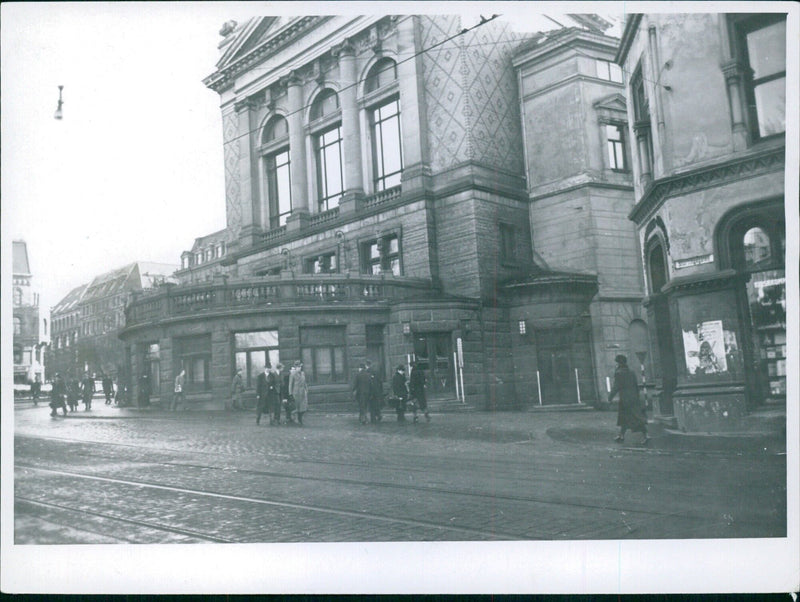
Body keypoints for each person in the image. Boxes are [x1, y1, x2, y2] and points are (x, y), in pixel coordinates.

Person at [608, 354, 649, 445]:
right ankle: (621, 435)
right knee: (625, 417)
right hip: (634, 398)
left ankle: (646, 435)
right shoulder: (631, 372)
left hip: (625, 399)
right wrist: (637, 397)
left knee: (635, 417)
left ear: (619, 363)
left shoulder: (619, 373)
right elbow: (636, 385)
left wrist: (610, 397)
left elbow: (616, 386)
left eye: (617, 362)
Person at [288, 360, 308, 426]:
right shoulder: (293, 374)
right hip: (296, 392)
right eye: (298, 367)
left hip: (303, 392)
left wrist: (306, 389)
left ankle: (299, 418)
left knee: (303, 408)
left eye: (300, 367)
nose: (299, 368)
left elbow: (305, 382)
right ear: (295, 367)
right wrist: (290, 393)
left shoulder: (303, 373)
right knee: (297, 407)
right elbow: (290, 384)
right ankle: (298, 420)